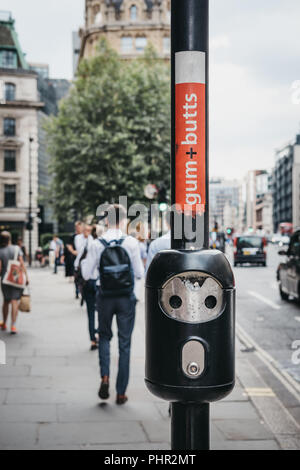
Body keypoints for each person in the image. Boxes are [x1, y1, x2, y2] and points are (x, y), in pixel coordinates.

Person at [82, 204, 144, 405]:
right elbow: (139, 273)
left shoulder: (96, 244)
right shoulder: (132, 243)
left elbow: (86, 274)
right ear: (124, 220)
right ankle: (121, 392)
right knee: (125, 344)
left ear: (106, 220)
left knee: (105, 337)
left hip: (105, 297)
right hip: (126, 298)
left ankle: (105, 377)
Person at [75, 225, 98, 351]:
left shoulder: (88, 246)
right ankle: (99, 333)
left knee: (90, 313)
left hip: (89, 282)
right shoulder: (101, 245)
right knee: (102, 313)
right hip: (101, 284)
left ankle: (93, 340)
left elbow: (79, 265)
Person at [0, 232, 29, 335]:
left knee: (6, 301)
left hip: (5, 279)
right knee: (14, 301)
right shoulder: (16, 249)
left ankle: (4, 323)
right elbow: (21, 264)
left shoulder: (0, 251)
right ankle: (13, 325)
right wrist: (26, 277)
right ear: (9, 239)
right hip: (16, 278)